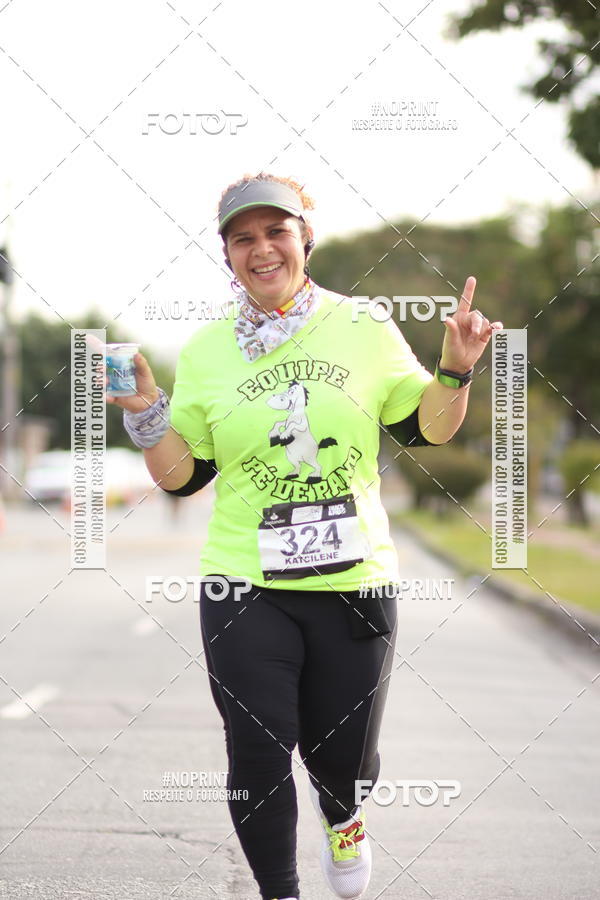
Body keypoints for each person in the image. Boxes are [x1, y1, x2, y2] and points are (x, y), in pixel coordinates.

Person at [109, 172, 502, 900]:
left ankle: (343, 814)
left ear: (304, 238)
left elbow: (428, 427)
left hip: (354, 582)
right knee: (256, 752)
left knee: (342, 762)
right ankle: (279, 893)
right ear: (226, 254)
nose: (261, 249)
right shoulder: (204, 353)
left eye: (276, 232)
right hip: (245, 581)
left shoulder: (364, 326)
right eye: (243, 238)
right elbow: (184, 476)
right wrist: (147, 419)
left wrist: (457, 368)